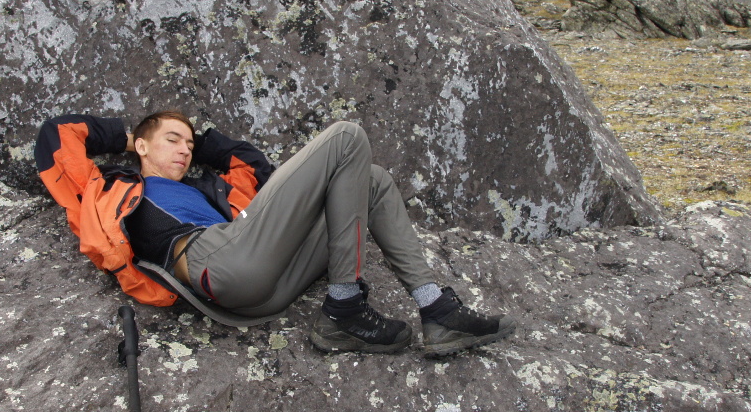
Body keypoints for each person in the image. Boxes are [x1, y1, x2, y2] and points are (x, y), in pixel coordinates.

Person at [35, 110, 516, 357]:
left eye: (189, 142)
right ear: (142, 145)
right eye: (171, 140)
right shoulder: (114, 186)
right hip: (215, 265)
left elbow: (251, 163)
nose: (184, 149)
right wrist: (129, 136)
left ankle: (437, 308)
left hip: (266, 283)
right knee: (346, 136)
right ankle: (345, 303)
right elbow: (54, 136)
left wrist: (200, 142)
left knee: (373, 178)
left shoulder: (217, 190)